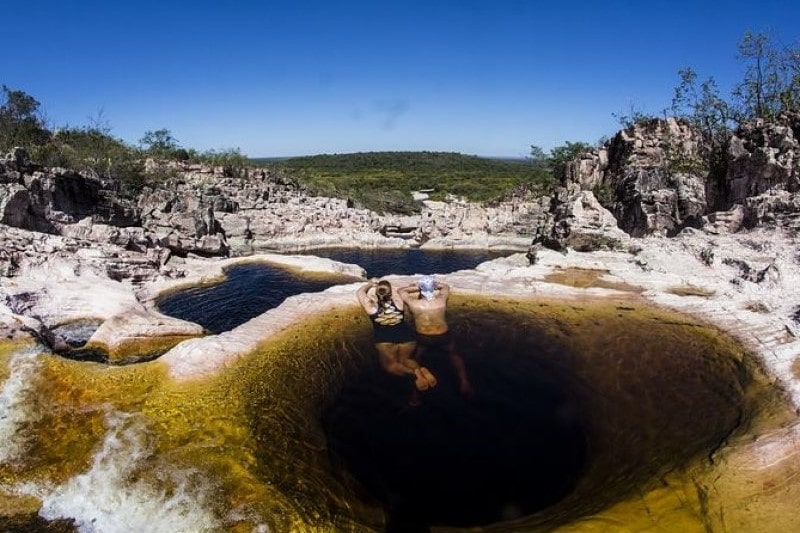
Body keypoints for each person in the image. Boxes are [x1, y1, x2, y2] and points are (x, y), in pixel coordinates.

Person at [356, 278, 437, 399]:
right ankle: (419, 369)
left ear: (377, 293)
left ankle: (414, 373)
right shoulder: (398, 302)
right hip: (406, 336)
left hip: (385, 339)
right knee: (406, 359)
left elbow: (360, 292)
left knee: (390, 366)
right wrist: (385, 285)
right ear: (390, 293)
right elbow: (394, 290)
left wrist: (370, 284)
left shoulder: (371, 307)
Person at [398, 276, 473, 396]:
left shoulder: (415, 303)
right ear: (432, 289)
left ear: (421, 290)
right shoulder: (441, 300)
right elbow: (445, 287)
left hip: (423, 337)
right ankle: (464, 381)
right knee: (454, 354)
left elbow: (401, 291)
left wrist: (415, 287)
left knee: (416, 359)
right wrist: (433, 284)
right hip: (443, 335)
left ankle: (415, 392)